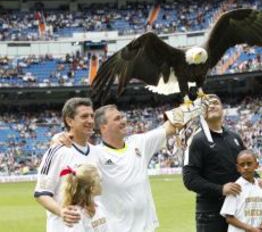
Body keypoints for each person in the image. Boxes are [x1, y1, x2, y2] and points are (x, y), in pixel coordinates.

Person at [52, 103, 197, 232]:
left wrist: (196, 105)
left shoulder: (139, 143)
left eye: (122, 117)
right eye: (117, 119)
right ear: (103, 127)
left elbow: (169, 127)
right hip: (116, 228)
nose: (123, 121)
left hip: (147, 227)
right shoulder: (95, 153)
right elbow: (71, 147)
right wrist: (58, 137)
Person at [183, 94, 262, 232]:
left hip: (237, 211)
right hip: (211, 214)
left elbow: (246, 166)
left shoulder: (234, 137)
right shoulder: (196, 140)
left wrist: (257, 180)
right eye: (207, 104)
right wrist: (220, 189)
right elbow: (189, 179)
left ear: (223, 110)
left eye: (215, 103)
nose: (212, 106)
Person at [34, 97, 100, 232]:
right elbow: (41, 193)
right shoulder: (58, 151)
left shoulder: (96, 152)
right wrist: (62, 212)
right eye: (84, 116)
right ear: (70, 121)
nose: (90, 121)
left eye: (92, 116)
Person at [220, 150, 262, 232]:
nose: (245, 167)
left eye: (249, 163)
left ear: (256, 165)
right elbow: (229, 218)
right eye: (242, 165)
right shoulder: (235, 188)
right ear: (238, 168)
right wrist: (251, 229)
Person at [61, 164, 109, 232]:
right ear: (91, 188)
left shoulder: (99, 206)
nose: (102, 184)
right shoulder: (75, 214)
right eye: (100, 181)